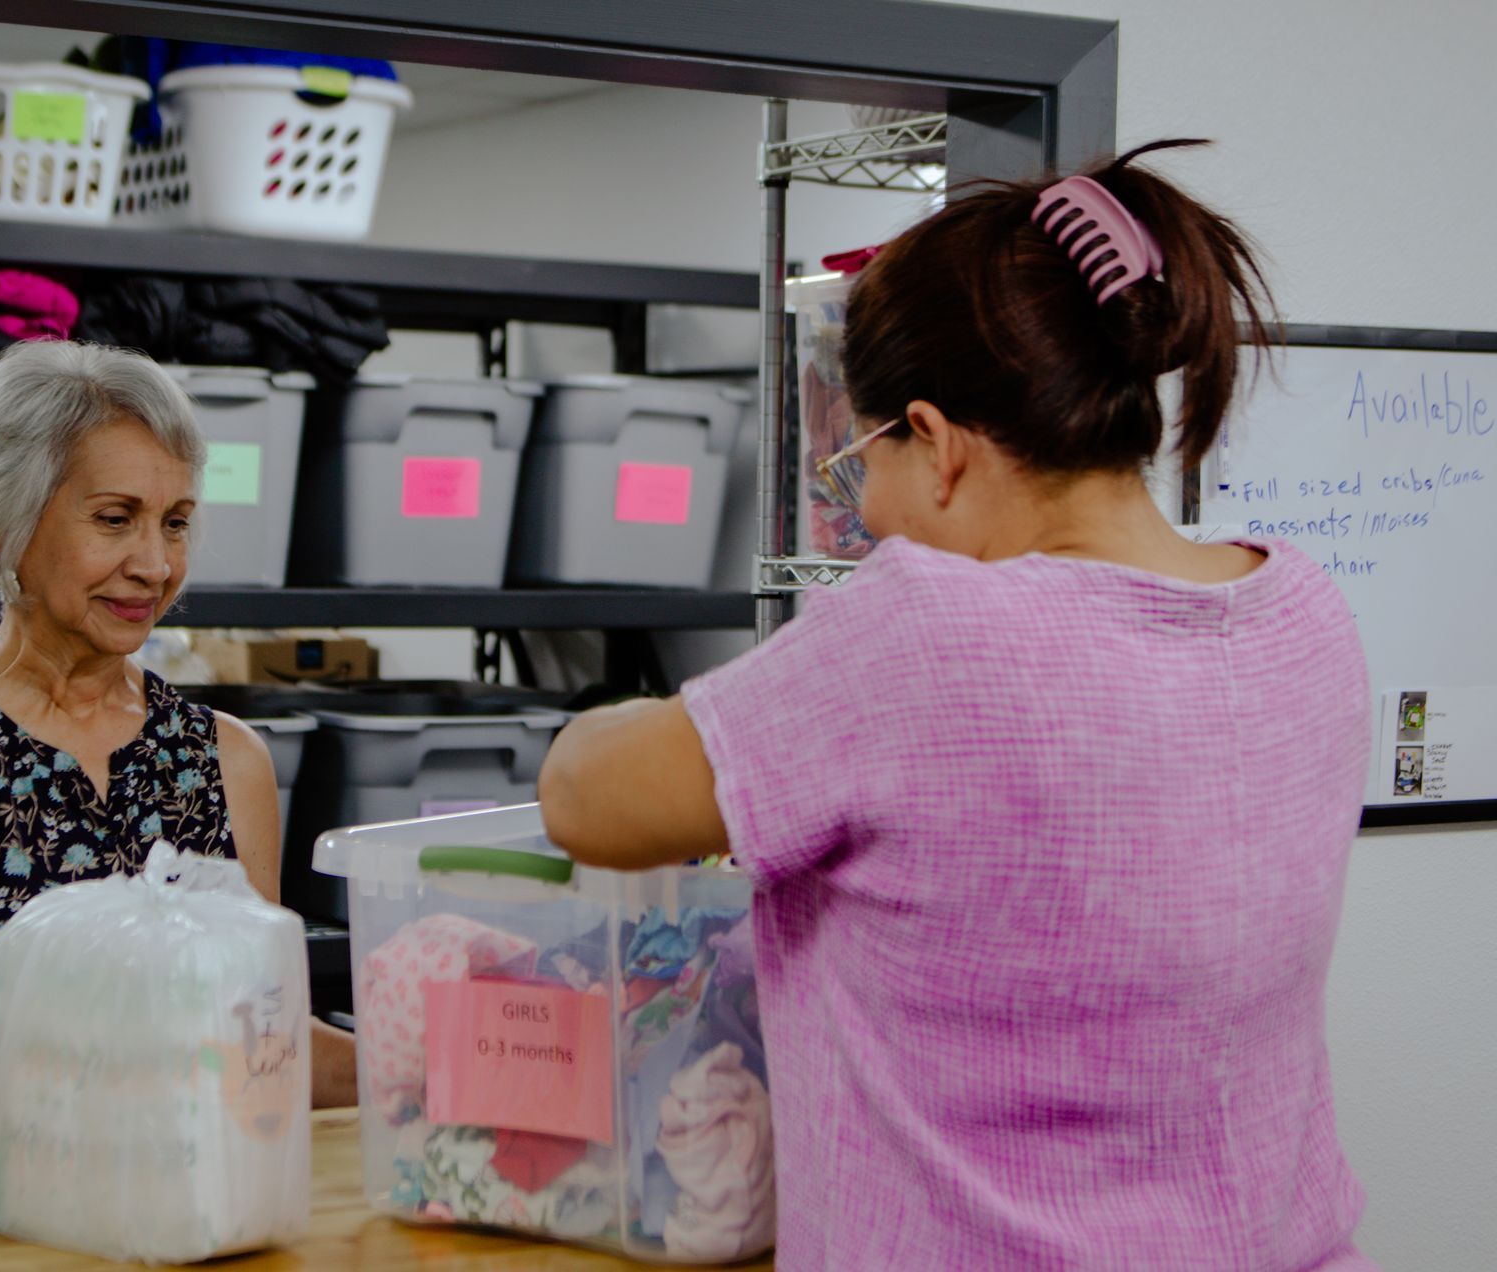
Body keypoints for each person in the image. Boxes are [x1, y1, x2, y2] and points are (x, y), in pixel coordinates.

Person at [538, 141, 1375, 1269]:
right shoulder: (1303, 614)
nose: (869, 512)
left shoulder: (929, 629)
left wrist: (607, 716)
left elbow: (584, 799)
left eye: (863, 459)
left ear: (934, 444)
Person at [0, 340, 357, 1227]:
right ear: (12, 522)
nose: (154, 564)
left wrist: (429, 1063)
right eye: (115, 518)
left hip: (181, 1217)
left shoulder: (225, 760)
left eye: (175, 522)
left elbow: (260, 1031)